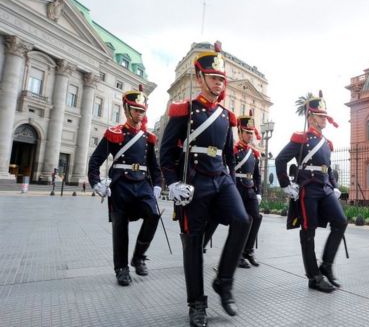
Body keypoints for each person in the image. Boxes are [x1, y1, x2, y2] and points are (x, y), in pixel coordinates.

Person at [159, 42, 251, 327]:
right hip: (195, 181)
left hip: (221, 179)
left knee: (243, 220)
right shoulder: (184, 110)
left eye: (222, 79)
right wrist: (173, 183)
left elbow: (227, 155)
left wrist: (232, 186)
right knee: (194, 242)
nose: (219, 83)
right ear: (200, 79)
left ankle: (223, 281)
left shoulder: (226, 116)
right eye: (214, 78)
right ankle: (196, 303)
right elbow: (166, 152)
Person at [88, 89, 162, 287]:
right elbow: (95, 161)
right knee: (120, 227)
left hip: (142, 184)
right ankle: (121, 269)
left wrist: (157, 185)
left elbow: (154, 166)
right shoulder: (115, 134)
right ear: (127, 109)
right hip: (120, 184)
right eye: (136, 110)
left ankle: (138, 257)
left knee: (153, 215)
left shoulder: (148, 138)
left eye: (142, 110)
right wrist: (96, 183)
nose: (140, 114)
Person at [275, 92, 348, 293]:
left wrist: (334, 186)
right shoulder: (301, 138)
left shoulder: (327, 143)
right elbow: (280, 160)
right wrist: (285, 185)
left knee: (340, 221)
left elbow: (329, 167)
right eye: (320, 115)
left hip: (324, 188)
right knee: (309, 231)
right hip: (308, 188)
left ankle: (326, 265)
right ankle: (314, 276)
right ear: (310, 117)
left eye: (325, 115)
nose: (324, 118)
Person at [233, 111, 263, 268]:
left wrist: (258, 192)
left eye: (252, 133)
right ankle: (236, 255)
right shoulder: (233, 150)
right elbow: (229, 170)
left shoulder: (254, 154)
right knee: (241, 221)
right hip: (237, 188)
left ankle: (248, 251)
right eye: (247, 132)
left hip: (250, 189)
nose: (250, 135)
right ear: (240, 131)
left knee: (256, 217)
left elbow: (257, 175)